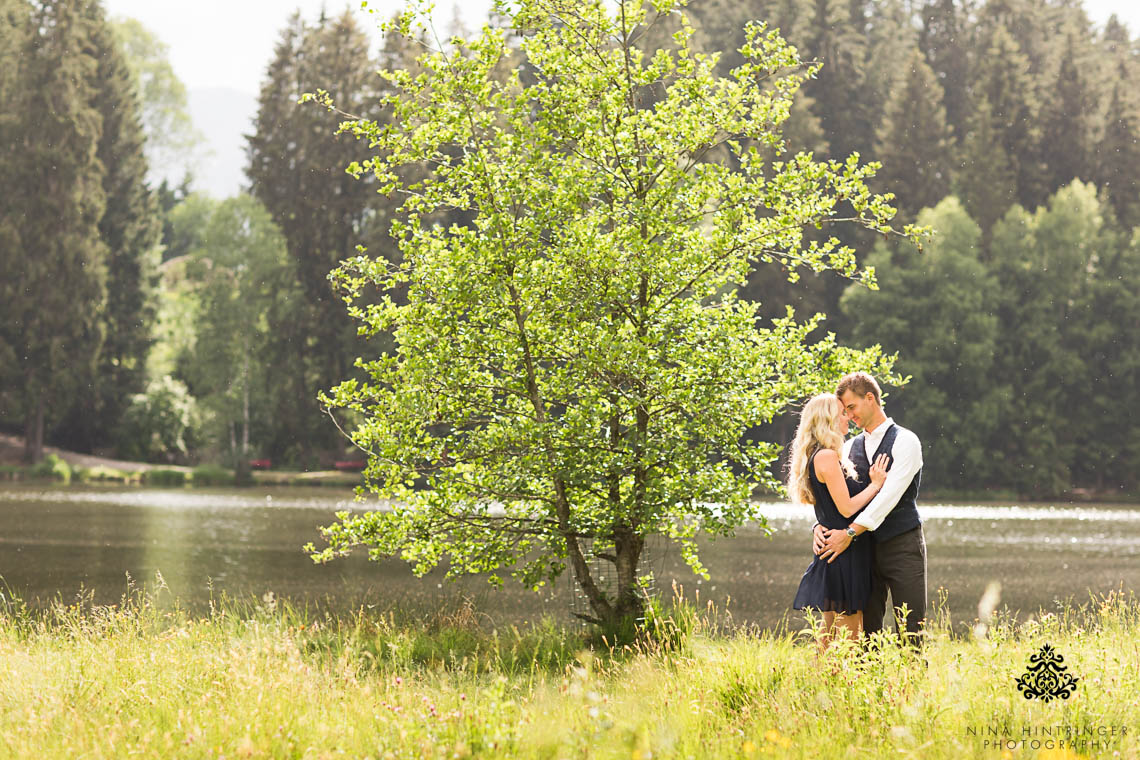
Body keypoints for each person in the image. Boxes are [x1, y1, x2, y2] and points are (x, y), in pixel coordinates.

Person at [813, 372, 926, 646]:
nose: (849, 416)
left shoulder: (906, 441)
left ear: (870, 398)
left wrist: (849, 533)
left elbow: (888, 498)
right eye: (844, 410)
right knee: (866, 635)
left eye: (851, 407)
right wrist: (818, 526)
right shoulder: (850, 447)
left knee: (911, 630)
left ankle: (912, 688)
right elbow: (832, 497)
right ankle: (866, 686)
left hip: (902, 546)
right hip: (862, 552)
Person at [789, 393, 889, 650]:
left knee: (830, 629)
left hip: (834, 548)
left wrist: (817, 526)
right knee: (849, 633)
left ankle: (820, 683)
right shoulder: (826, 457)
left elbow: (828, 508)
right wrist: (876, 485)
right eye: (842, 413)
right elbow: (846, 508)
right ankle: (843, 685)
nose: (849, 417)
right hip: (843, 551)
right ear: (828, 420)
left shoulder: (818, 455)